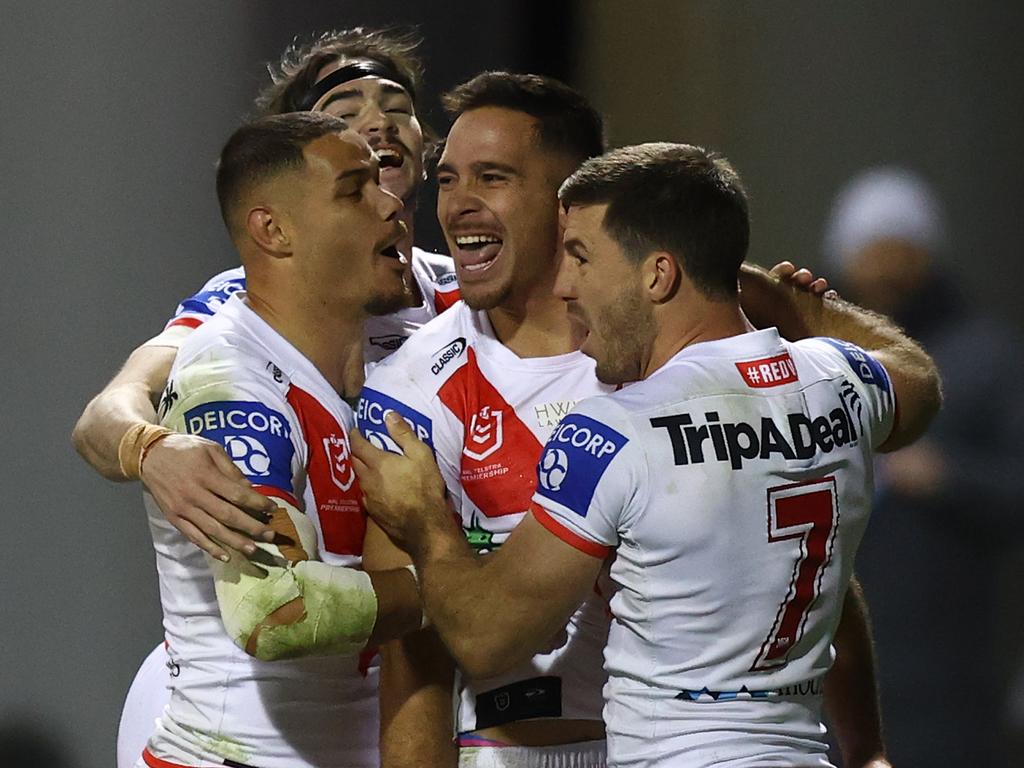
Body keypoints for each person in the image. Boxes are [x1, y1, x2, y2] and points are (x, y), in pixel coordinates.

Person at [357, 77, 891, 768]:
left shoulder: (664, 357)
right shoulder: (411, 390)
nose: (458, 205)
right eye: (449, 178)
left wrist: (868, 745)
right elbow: (415, 658)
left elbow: (796, 564)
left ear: (569, 204)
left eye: (493, 177)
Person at [68, 28, 458, 766]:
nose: (376, 121)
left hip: (378, 719)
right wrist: (149, 447)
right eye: (346, 109)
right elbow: (109, 409)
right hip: (248, 730)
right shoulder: (236, 328)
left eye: (394, 105)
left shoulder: (465, 305)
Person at [137, 111, 429, 768]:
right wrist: (453, 588)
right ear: (273, 231)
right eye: (354, 190)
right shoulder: (232, 381)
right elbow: (275, 609)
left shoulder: (361, 373)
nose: (391, 203)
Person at [823, 167, 1024, 765]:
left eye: (901, 251)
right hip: (827, 662)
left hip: (948, 674)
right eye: (870, 252)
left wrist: (947, 477)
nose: (886, 270)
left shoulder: (985, 356)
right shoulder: (811, 359)